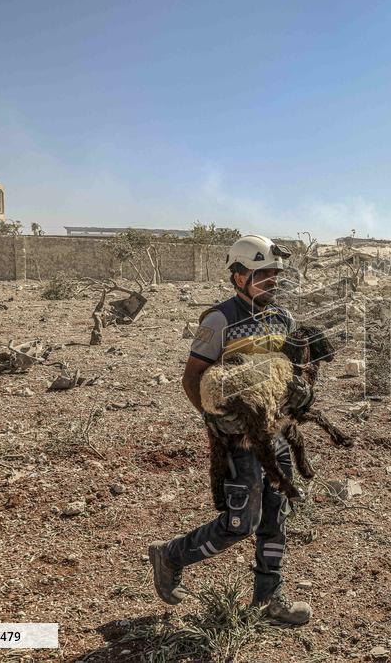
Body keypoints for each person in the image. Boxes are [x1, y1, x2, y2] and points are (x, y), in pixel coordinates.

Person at [148, 234, 312, 626]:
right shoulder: (219, 320)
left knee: (276, 516)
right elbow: (193, 380)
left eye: (275, 273)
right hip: (238, 442)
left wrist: (302, 388)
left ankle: (268, 601)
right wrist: (219, 423)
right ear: (239, 277)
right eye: (263, 274)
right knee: (241, 524)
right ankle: (171, 555)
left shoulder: (282, 318)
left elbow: (292, 369)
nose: (273, 280)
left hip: (275, 435)